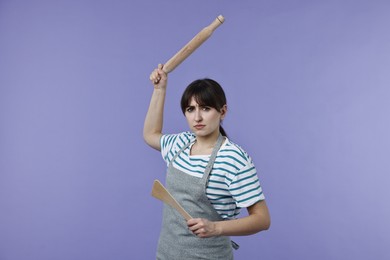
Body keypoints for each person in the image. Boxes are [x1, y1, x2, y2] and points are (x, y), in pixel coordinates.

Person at [144, 64, 271, 260]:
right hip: (166, 254)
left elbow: (262, 219)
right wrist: (159, 90)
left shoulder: (233, 159)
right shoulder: (180, 144)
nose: (197, 117)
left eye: (205, 108)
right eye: (190, 109)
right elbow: (150, 134)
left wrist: (216, 227)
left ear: (223, 111)